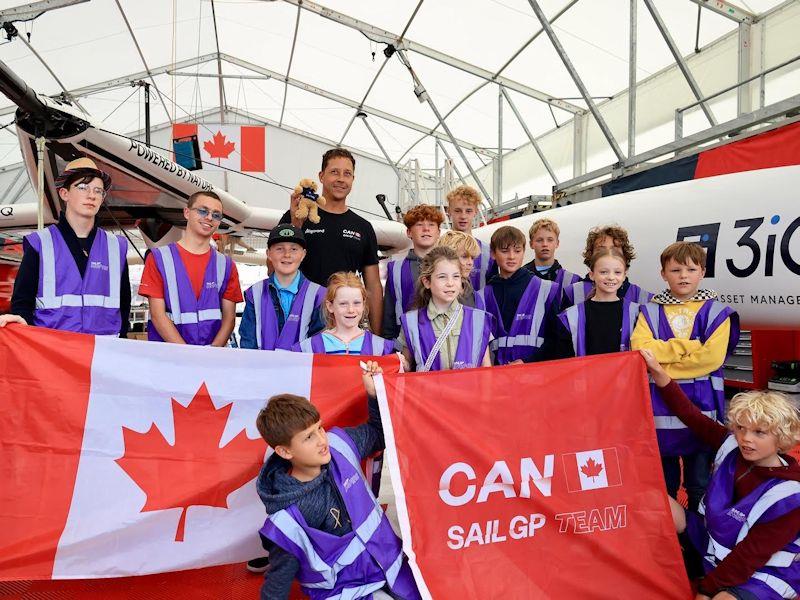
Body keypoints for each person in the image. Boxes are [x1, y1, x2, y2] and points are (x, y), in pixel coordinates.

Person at [255, 362, 422, 600]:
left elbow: (379, 433)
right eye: (309, 437)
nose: (322, 440)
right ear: (284, 452)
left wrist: (373, 394)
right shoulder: (287, 519)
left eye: (320, 428)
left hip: (395, 569)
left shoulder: (339, 445)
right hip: (348, 593)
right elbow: (276, 586)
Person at [642, 349, 800, 600]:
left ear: (781, 438)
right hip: (716, 544)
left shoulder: (791, 494)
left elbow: (749, 557)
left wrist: (707, 590)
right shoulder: (731, 444)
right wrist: (659, 372)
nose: (746, 439)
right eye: (741, 428)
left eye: (759, 433)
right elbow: (690, 415)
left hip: (765, 568)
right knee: (652, 497)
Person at [631, 241, 740, 512]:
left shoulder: (717, 312)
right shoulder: (650, 310)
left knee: (699, 484)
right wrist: (689, 346)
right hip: (660, 414)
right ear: (663, 274)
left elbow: (711, 359)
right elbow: (640, 348)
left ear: (702, 272)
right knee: (664, 485)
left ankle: (697, 538)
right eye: (676, 269)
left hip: (702, 413)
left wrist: (660, 368)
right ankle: (670, 538)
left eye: (691, 269)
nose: (683, 275)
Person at [0, 158, 131, 336]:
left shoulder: (116, 247)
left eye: (98, 190)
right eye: (83, 187)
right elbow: (22, 302)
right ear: (64, 194)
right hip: (54, 352)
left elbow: (123, 305)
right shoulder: (40, 243)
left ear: (102, 198)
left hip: (102, 353)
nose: (91, 195)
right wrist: (21, 321)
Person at [281, 149, 383, 333]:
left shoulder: (363, 227)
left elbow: (373, 286)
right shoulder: (297, 217)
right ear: (321, 176)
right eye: (334, 172)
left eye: (347, 174)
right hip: (299, 320)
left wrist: (377, 337)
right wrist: (295, 226)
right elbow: (274, 269)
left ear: (353, 179)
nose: (341, 179)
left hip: (345, 324)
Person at [139, 191, 241, 346]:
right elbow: (158, 315)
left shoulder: (226, 266)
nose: (209, 217)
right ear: (186, 212)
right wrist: (188, 356)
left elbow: (229, 319)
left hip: (209, 361)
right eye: (202, 210)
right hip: (170, 360)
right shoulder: (158, 259)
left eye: (216, 215)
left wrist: (211, 353)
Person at [398, 246, 492, 371]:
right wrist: (401, 364)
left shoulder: (478, 319)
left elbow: (486, 368)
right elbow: (406, 369)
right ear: (427, 282)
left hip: (469, 389)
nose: (450, 283)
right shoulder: (411, 322)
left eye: (456, 276)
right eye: (442, 277)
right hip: (429, 390)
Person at [239, 224, 325, 351]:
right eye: (279, 249)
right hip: (261, 368)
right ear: (268, 253)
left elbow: (320, 343)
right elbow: (248, 341)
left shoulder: (319, 295)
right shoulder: (255, 293)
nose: (287, 255)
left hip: (301, 369)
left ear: (303, 254)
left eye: (294, 249)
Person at [482, 226, 560, 365]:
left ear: (524, 252)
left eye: (517, 251)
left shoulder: (547, 290)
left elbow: (558, 340)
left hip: (536, 377)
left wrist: (527, 362)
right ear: (493, 254)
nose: (512, 256)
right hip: (496, 379)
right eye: (505, 251)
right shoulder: (482, 295)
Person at [554, 248, 641, 358]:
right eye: (603, 272)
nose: (611, 277)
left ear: (624, 276)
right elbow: (563, 363)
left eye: (617, 272)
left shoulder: (637, 314)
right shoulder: (570, 317)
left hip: (626, 375)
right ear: (591, 275)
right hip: (584, 374)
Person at [293, 271, 395, 356]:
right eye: (343, 304)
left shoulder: (381, 347)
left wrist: (404, 365)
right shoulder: (309, 348)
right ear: (330, 306)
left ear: (364, 304)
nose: (351, 310)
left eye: (356, 303)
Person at [382, 204, 443, 340]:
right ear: (409, 232)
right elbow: (389, 312)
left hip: (443, 339)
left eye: (431, 225)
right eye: (419, 224)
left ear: (438, 232)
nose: (426, 229)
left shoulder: (450, 267)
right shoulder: (395, 269)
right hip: (406, 341)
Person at [562, 225, 652, 308]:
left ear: (625, 255)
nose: (608, 254)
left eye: (614, 250)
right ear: (590, 255)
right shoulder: (572, 293)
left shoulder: (641, 296)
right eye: (601, 250)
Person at [445, 185, 494, 290]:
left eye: (468, 211)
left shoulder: (486, 251)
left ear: (475, 211)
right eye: (458, 211)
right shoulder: (441, 248)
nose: (463, 216)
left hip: (478, 306)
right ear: (449, 211)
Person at [523, 218, 581, 305]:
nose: (545, 244)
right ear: (531, 244)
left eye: (550, 240)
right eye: (539, 240)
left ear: (557, 243)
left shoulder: (572, 281)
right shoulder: (521, 277)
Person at [434, 230, 485, 309]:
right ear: (446, 256)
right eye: (464, 256)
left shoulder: (470, 291)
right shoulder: (435, 293)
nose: (470, 263)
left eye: (472, 258)